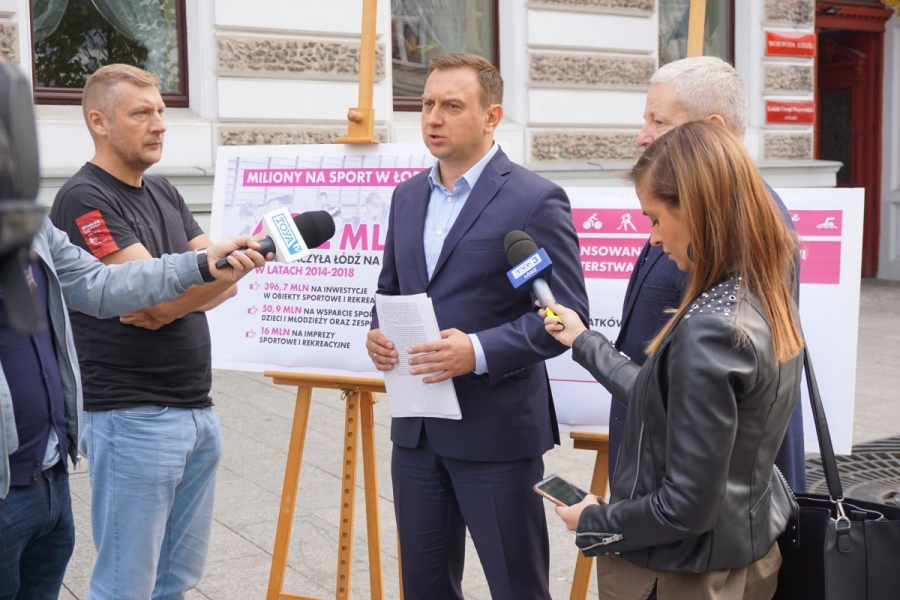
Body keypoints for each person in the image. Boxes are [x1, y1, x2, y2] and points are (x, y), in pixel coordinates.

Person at [545, 121, 803, 600]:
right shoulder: (761, 291)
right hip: (740, 551)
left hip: (682, 574)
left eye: (655, 219)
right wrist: (583, 341)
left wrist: (596, 520)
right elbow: (665, 397)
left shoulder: (710, 328)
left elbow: (683, 508)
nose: (653, 239)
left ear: (698, 212)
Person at [365, 53, 589, 599]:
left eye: (451, 106)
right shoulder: (407, 196)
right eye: (427, 104)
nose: (433, 118)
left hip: (496, 433)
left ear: (491, 117)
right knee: (424, 589)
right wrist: (378, 334)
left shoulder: (534, 199)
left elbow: (563, 316)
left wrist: (479, 350)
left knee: (516, 588)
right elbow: (392, 289)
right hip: (418, 432)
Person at [48, 64, 239, 599]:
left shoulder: (166, 192)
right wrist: (181, 295)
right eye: (141, 113)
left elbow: (222, 284)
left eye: (160, 111)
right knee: (125, 585)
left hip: (196, 408)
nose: (159, 124)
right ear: (99, 122)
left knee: (175, 580)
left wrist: (175, 304)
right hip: (131, 416)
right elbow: (144, 295)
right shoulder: (84, 198)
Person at [611, 55, 806, 491]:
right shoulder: (692, 208)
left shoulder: (740, 225)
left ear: (712, 128)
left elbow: (729, 401)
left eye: (659, 121)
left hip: (688, 490)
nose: (643, 136)